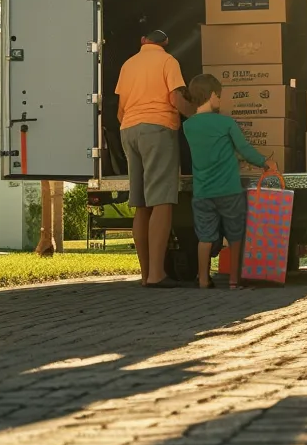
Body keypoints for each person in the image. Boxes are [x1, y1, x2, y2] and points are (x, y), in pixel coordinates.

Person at [115, 28, 195, 288]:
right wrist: (197, 116)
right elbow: (175, 98)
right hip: (157, 129)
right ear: (166, 43)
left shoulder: (128, 64)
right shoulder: (168, 61)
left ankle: (145, 273)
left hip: (129, 129)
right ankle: (157, 275)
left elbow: (120, 109)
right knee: (161, 200)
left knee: (141, 204)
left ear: (142, 40)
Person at [182, 74, 276, 290]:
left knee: (204, 237)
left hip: (203, 191)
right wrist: (265, 163)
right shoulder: (226, 122)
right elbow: (244, 149)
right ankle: (234, 280)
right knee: (235, 234)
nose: (220, 100)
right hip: (229, 190)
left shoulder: (188, 126)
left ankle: (204, 280)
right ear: (213, 95)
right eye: (219, 96)